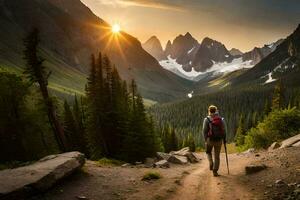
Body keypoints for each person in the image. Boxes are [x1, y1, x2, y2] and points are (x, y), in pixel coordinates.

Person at [202, 105, 226, 177]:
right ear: (216, 110)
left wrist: (205, 139)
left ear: (209, 111)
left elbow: (204, 131)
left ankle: (210, 162)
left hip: (210, 140)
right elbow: (224, 130)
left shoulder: (206, 119)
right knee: (217, 156)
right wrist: (224, 139)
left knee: (208, 152)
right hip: (219, 140)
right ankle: (215, 171)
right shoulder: (221, 119)